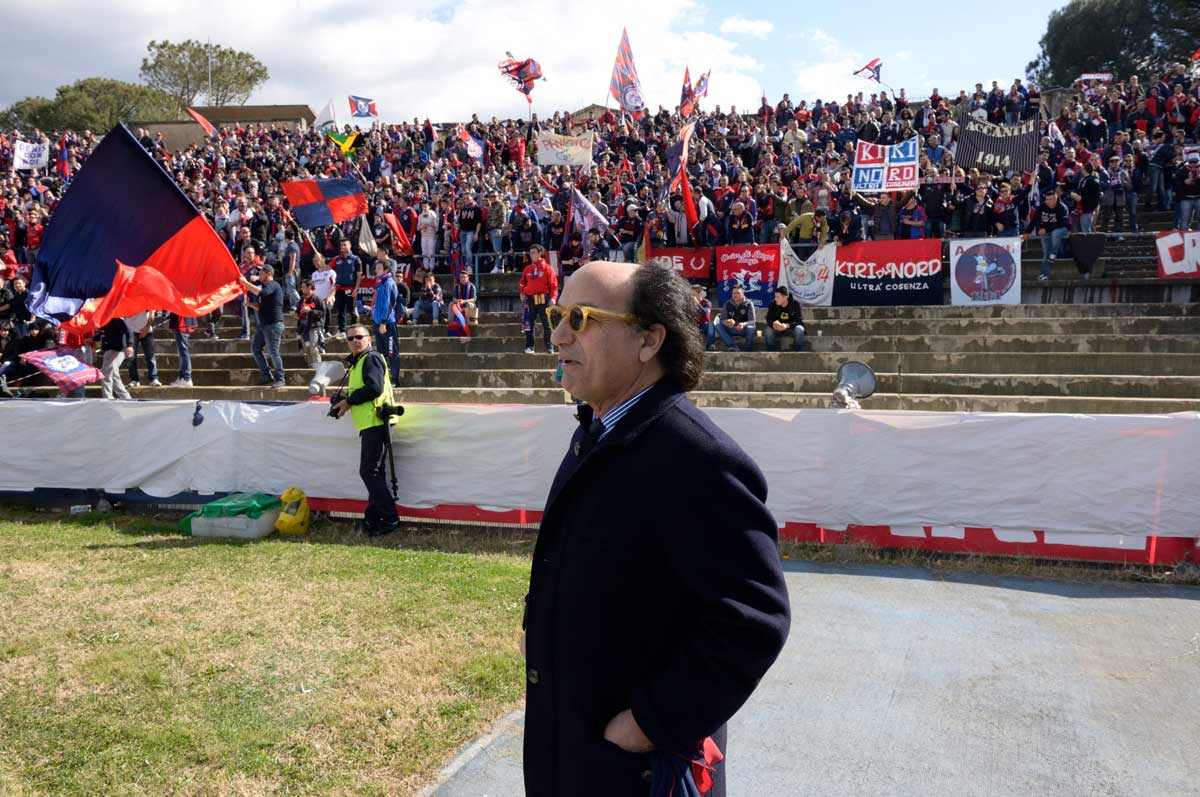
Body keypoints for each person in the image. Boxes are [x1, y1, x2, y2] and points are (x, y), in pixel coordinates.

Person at [524, 260, 790, 797]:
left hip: (636, 774)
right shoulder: (599, 430)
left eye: (580, 317)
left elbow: (752, 622)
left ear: (648, 340)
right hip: (572, 750)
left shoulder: (695, 456)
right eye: (557, 314)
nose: (556, 335)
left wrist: (646, 724)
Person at [330, 323, 401, 537]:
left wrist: (348, 402)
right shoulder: (359, 362)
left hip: (377, 422)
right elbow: (365, 389)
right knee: (374, 472)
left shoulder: (370, 358)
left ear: (368, 339)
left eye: (359, 337)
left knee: (368, 471)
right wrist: (344, 400)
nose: (354, 341)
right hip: (372, 422)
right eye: (350, 338)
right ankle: (372, 519)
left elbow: (374, 388)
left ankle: (390, 518)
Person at [241, 265, 285, 388]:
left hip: (273, 325)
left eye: (261, 273)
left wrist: (245, 283)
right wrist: (249, 304)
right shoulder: (266, 287)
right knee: (255, 349)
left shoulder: (273, 285)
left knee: (273, 352)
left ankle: (280, 378)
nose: (259, 275)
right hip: (264, 325)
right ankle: (266, 375)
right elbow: (260, 306)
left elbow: (262, 292)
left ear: (268, 274)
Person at [520, 244, 558, 354]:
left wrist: (553, 298)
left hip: (543, 298)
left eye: (534, 252)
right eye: (530, 253)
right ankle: (529, 347)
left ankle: (549, 346)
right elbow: (522, 282)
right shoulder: (528, 268)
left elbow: (553, 285)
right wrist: (521, 292)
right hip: (530, 299)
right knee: (528, 324)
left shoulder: (547, 268)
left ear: (540, 253)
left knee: (547, 324)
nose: (531, 255)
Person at [1025, 191, 1070, 281]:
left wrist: (1046, 229)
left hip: (1062, 229)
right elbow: (1034, 220)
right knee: (1046, 253)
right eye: (1047, 199)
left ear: (1056, 200)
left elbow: (1062, 223)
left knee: (1055, 233)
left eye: (1050, 199)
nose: (1048, 201)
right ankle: (1044, 274)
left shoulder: (1062, 208)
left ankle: (1054, 253)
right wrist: (1027, 232)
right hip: (1046, 232)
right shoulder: (1042, 206)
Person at [371, 259, 401, 383]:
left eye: (379, 268)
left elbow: (390, 304)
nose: (376, 270)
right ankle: (383, 378)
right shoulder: (380, 283)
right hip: (378, 323)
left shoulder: (388, 283)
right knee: (381, 353)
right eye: (376, 268)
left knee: (391, 352)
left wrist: (383, 322)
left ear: (386, 270)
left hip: (387, 324)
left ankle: (395, 379)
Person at [98, 316, 134, 400]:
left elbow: (128, 331)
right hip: (111, 349)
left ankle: (108, 397)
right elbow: (102, 333)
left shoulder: (117, 318)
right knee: (113, 374)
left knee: (106, 374)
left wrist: (130, 345)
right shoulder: (106, 320)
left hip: (117, 349)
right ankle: (126, 397)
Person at [332, 239, 362, 338]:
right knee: (341, 310)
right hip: (340, 288)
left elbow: (359, 275)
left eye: (344, 245)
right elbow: (327, 268)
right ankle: (342, 331)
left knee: (352, 311)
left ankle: (354, 331)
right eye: (341, 245)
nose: (342, 247)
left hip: (350, 288)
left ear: (350, 246)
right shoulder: (337, 259)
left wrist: (356, 289)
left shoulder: (356, 259)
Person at [714, 284, 756, 352]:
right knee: (718, 325)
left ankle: (747, 351)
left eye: (738, 293)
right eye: (733, 293)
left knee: (751, 328)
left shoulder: (749, 303)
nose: (735, 295)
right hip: (732, 328)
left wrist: (743, 324)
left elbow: (752, 321)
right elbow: (722, 320)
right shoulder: (727, 304)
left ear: (743, 294)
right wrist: (726, 322)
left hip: (744, 329)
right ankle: (733, 347)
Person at [296, 279, 327, 369]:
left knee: (314, 349)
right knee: (307, 349)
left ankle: (319, 368)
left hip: (314, 327)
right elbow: (297, 311)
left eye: (303, 287)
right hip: (303, 327)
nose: (301, 289)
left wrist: (310, 311)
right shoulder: (302, 300)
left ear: (309, 287)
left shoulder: (318, 299)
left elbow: (322, 313)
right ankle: (311, 367)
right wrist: (296, 314)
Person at [763, 286, 805, 352]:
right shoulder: (773, 304)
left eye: (778, 297)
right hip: (777, 329)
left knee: (800, 329)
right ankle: (771, 354)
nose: (775, 299)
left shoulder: (795, 304)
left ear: (785, 297)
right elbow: (769, 318)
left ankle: (798, 353)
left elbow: (798, 320)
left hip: (791, 328)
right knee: (768, 331)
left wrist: (787, 325)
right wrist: (774, 323)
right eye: (775, 297)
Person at [124, 312, 160, 388]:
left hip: (147, 330)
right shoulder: (128, 300)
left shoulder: (149, 299)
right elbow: (125, 313)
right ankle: (134, 379)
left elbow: (152, 314)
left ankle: (154, 378)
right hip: (131, 329)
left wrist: (147, 328)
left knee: (150, 355)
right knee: (131, 357)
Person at [168, 312, 196, 387]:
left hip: (182, 324)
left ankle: (187, 378)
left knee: (183, 352)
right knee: (182, 353)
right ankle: (183, 377)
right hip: (182, 324)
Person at [692, 283, 714, 352]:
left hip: (703, 324)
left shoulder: (706, 302)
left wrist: (697, 303)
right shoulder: (688, 303)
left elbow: (704, 313)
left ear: (699, 293)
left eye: (693, 294)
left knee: (710, 325)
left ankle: (709, 346)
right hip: (693, 324)